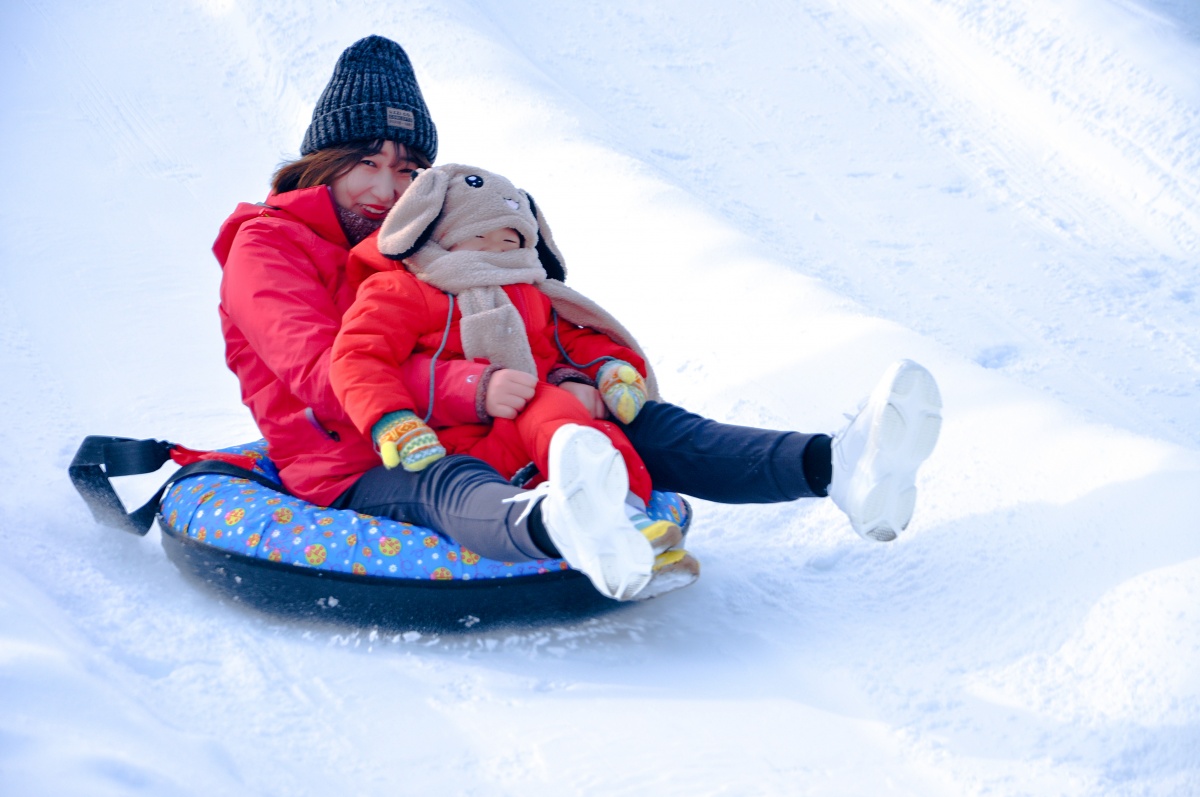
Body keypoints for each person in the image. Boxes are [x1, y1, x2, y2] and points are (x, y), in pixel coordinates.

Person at [214, 34, 943, 604]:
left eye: (407, 169)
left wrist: (574, 371)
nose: (385, 186)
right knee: (447, 477)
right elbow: (322, 378)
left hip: (477, 417)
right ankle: (561, 523)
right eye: (365, 162)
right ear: (324, 158)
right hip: (355, 458)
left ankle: (834, 466)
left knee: (648, 426)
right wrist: (476, 387)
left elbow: (507, 311)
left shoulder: (418, 238)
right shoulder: (268, 245)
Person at [328, 163, 697, 599]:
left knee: (588, 425)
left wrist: (606, 371)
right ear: (441, 234)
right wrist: (392, 420)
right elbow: (359, 355)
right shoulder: (404, 291)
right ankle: (608, 521)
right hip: (460, 439)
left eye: (510, 241)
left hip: (529, 436)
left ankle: (628, 520)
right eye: (480, 236)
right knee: (552, 408)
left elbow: (574, 340)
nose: (496, 251)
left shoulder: (531, 294)